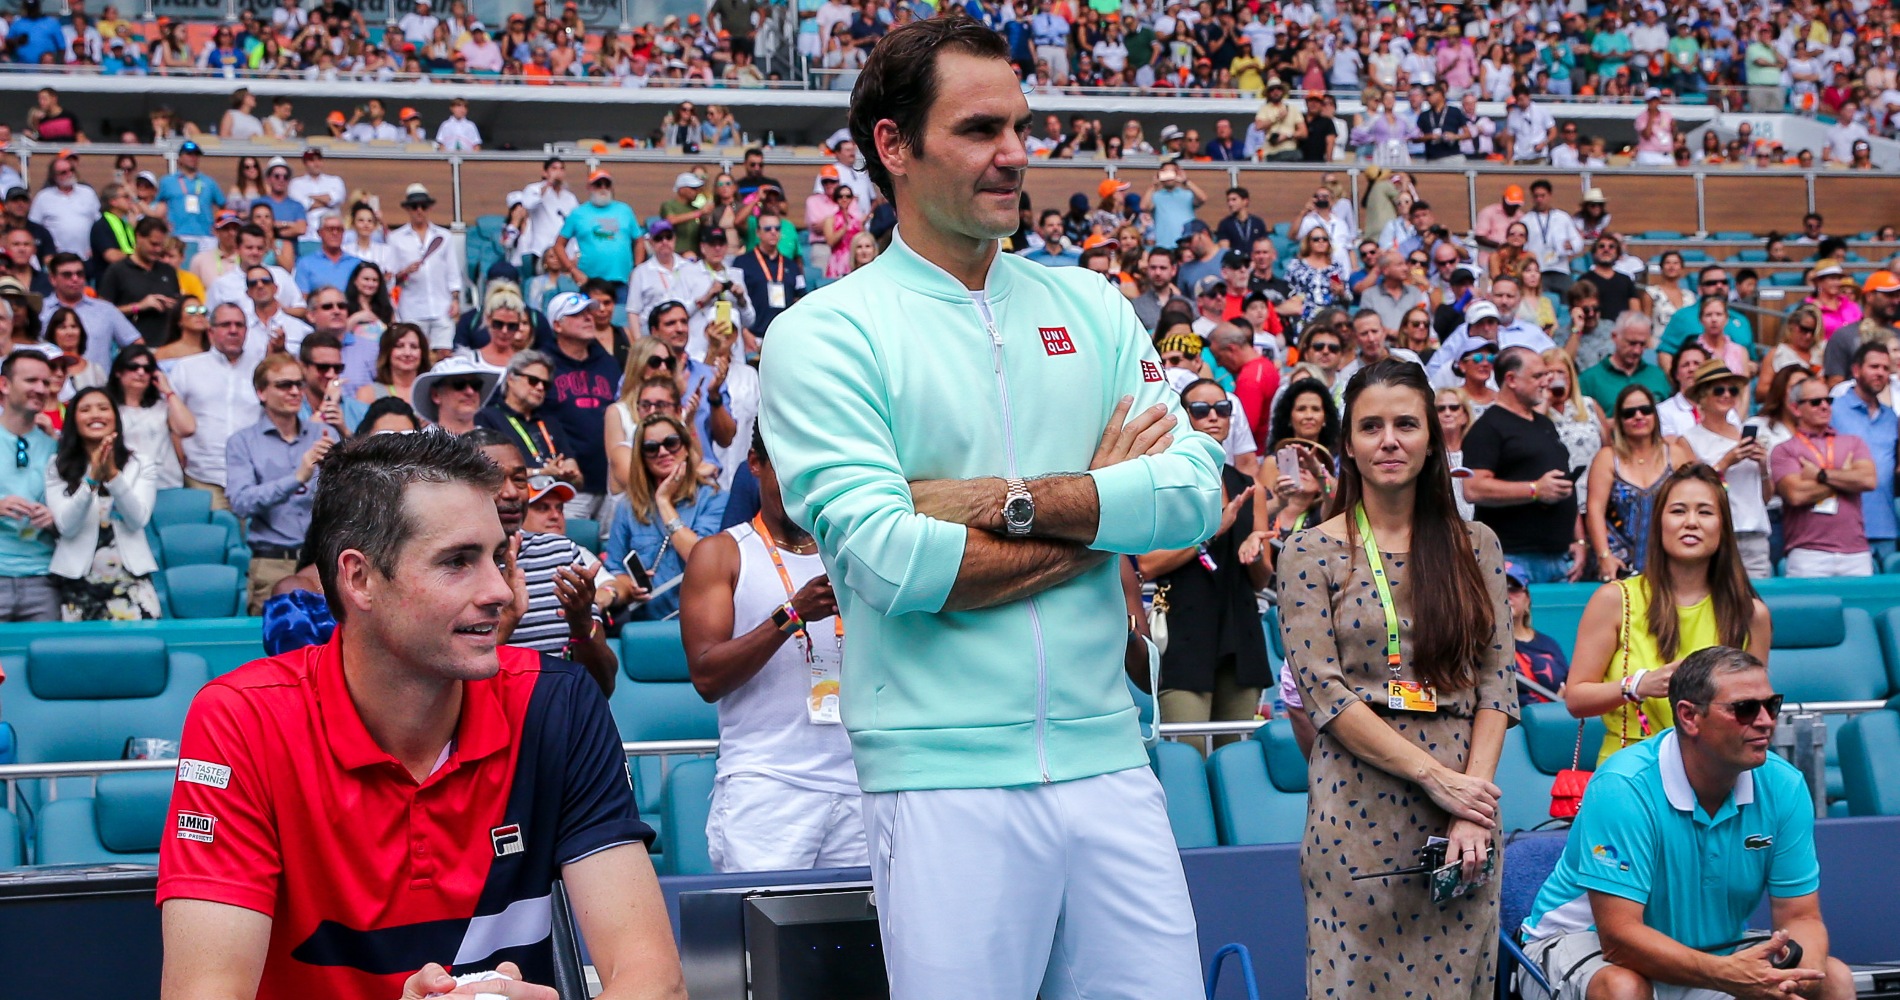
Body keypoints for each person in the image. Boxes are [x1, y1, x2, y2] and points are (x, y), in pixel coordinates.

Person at [758, 18, 1220, 998]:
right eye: (978, 129)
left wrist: (1003, 503)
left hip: (1110, 761)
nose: (1013, 153)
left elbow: (1192, 491)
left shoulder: (1091, 305)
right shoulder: (823, 336)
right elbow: (892, 565)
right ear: (893, 147)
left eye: (1018, 125)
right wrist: (1101, 513)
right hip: (939, 778)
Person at [156, 431, 687, 998]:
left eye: (498, 555)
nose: (499, 592)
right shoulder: (242, 719)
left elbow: (654, 980)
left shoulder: (556, 703)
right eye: (457, 562)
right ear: (358, 578)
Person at [1277, 358, 1516, 998]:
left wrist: (1471, 804)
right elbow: (1323, 691)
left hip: (1463, 824)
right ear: (1348, 445)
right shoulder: (1308, 551)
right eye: (1371, 426)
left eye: (1406, 424)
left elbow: (1497, 684)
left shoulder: (1478, 546)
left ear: (1432, 439)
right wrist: (1436, 779)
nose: (1389, 440)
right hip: (1357, 817)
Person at [1520, 646, 1852, 1000]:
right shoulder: (1624, 786)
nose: (1766, 721)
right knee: (1623, 988)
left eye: (1771, 705)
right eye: (1745, 709)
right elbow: (1619, 940)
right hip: (1584, 943)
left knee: (1833, 978)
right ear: (1689, 716)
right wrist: (1726, 975)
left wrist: (1798, 978)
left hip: (1706, 950)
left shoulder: (1784, 785)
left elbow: (1801, 917)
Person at [679, 426, 866, 873]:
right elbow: (707, 677)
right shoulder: (721, 553)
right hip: (767, 788)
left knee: (864, 938)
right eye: (785, 466)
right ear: (756, 464)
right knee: (762, 938)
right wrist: (791, 615)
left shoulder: (852, 553)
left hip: (858, 782)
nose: (799, 482)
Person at [1567, 464, 1771, 765]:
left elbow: (1755, 712)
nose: (1691, 522)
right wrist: (1638, 685)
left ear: (1723, 526)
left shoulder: (1751, 613)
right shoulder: (1614, 599)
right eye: (1678, 511)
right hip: (1631, 770)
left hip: (1718, 771)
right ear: (1659, 523)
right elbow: (1576, 699)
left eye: (1705, 512)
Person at [1140, 378, 1269, 747]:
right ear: (1185, 417)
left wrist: (1256, 552)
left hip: (1240, 629)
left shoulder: (1250, 486)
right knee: (1189, 753)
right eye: (1201, 410)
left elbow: (1262, 580)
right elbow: (1147, 565)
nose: (1214, 417)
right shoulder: (1167, 481)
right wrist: (1211, 534)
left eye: (1223, 409)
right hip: (1186, 630)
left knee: (1239, 756)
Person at [466, 429, 615, 692]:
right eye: (494, 480)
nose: (511, 493)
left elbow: (603, 685)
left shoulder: (560, 554)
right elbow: (448, 688)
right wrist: (509, 617)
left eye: (520, 480)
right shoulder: (447, 566)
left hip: (557, 721)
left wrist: (581, 625)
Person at [227, 351, 336, 614]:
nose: (295, 391)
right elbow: (240, 502)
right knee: (275, 647)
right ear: (261, 392)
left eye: (299, 384)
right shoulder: (242, 442)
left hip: (323, 564)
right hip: (272, 561)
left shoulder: (324, 434)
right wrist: (297, 477)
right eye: (284, 385)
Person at [1462, 347, 1582, 582]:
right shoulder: (1488, 428)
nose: (1545, 383)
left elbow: (1562, 483)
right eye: (1537, 376)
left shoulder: (1544, 424)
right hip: (1514, 558)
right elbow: (1473, 488)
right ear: (1511, 379)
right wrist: (1535, 490)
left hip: (1560, 557)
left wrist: (1577, 539)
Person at [47, 385, 160, 621]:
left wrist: (113, 476)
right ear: (74, 419)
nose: (96, 415)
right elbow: (66, 526)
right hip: (78, 580)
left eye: (103, 408)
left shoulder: (140, 463)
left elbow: (138, 518)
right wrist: (91, 481)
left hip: (130, 579)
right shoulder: (57, 465)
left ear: (114, 418)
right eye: (85, 409)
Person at [606, 413, 727, 621]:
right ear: (642, 457)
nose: (662, 452)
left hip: (701, 619)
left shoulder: (714, 497)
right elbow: (615, 568)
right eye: (651, 448)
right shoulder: (628, 507)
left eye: (671, 443)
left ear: (686, 448)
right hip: (646, 622)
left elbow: (701, 559)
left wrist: (664, 502)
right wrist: (630, 586)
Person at [1587, 384, 1696, 583]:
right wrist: (1604, 556)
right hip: (1619, 566)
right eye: (1629, 413)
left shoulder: (1676, 454)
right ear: (1619, 420)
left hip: (1667, 562)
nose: (1638, 417)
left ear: (1654, 415)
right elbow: (1595, 510)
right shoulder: (1607, 458)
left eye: (1645, 410)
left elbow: (1693, 503)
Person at [1773, 375, 1878, 578]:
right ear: (1796, 408)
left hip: (1855, 552)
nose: (1824, 406)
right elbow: (1796, 494)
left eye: (1828, 400)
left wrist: (1820, 475)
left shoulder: (1853, 442)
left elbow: (1868, 480)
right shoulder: (1784, 450)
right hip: (1808, 553)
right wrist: (1846, 479)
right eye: (1815, 402)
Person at [1680, 363, 1774, 578]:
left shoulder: (1746, 435)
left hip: (1755, 533)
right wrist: (1725, 462)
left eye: (1732, 390)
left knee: (1758, 603)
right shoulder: (1689, 439)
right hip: (1718, 532)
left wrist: (1762, 466)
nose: (1726, 395)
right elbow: (1690, 491)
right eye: (1718, 390)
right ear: (1703, 396)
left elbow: (1766, 497)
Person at [169, 303, 259, 509]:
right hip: (202, 475)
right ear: (211, 331)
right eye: (226, 325)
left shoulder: (261, 368)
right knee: (212, 538)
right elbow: (171, 421)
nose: (233, 330)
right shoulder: (187, 368)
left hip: (252, 478)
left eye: (239, 325)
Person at [543, 292, 622, 519]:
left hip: (610, 482)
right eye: (577, 314)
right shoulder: (543, 365)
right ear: (557, 325)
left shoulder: (607, 363)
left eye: (589, 312)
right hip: (567, 485)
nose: (588, 318)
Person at [0, 350, 60, 620]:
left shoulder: (57, 447)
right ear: (4, 385)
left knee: (49, 661)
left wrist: (55, 518)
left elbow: (80, 511)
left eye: (45, 383)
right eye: (31, 380)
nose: (40, 389)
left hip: (43, 578)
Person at [1829, 342, 1897, 562]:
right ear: (1856, 370)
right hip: (1845, 527)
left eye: (1885, 368)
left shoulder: (1892, 418)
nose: (1880, 373)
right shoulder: (1832, 410)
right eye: (1874, 366)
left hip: (1887, 527)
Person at [476, 350, 579, 486]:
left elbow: (578, 478)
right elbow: (489, 471)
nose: (540, 387)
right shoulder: (487, 417)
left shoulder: (550, 422)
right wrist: (540, 472)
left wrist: (570, 471)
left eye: (546, 384)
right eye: (533, 381)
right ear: (511, 379)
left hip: (555, 498)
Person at [386, 184, 459, 355]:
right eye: (414, 207)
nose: (419, 211)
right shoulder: (395, 238)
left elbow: (452, 271)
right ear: (408, 209)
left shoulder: (444, 236)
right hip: (411, 308)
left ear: (429, 208)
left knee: (444, 354)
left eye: (423, 206)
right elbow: (390, 277)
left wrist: (455, 299)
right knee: (415, 354)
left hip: (442, 306)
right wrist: (405, 271)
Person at [108, 344, 191, 490]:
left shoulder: (162, 406)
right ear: (118, 371)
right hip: (125, 486)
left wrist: (168, 391)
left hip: (166, 484)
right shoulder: (106, 408)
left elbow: (188, 428)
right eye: (133, 367)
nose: (140, 372)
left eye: (147, 369)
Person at [99, 216, 181, 347]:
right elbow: (101, 313)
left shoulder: (168, 271)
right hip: (132, 349)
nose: (158, 250)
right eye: (153, 244)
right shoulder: (117, 270)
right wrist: (139, 306)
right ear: (138, 237)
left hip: (167, 348)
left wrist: (174, 306)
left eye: (161, 245)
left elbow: (177, 303)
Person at [1579, 310, 1671, 415]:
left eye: (1642, 344)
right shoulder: (1589, 380)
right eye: (1632, 343)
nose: (1637, 350)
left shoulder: (1658, 376)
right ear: (1614, 337)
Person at [1504, 561, 1568, 705]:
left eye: (1513, 588)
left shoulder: (1548, 644)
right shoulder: (1480, 645)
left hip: (1551, 722)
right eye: (1497, 588)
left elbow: (1569, 684)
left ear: (1527, 599)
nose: (1506, 595)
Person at [353, 322, 429, 407]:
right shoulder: (368, 394)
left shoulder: (432, 392)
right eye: (399, 346)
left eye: (414, 347)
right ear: (387, 352)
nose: (407, 353)